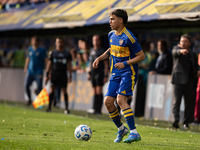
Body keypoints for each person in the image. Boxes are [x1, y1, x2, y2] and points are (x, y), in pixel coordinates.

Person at [92, 9, 145, 143]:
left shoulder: (129, 37)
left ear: (121, 20)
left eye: (112, 19)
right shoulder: (111, 35)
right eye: (110, 19)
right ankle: (121, 129)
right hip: (115, 74)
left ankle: (134, 133)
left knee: (121, 100)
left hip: (128, 72)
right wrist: (99, 58)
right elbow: (111, 50)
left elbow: (141, 56)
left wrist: (125, 63)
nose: (110, 22)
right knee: (108, 102)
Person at [171, 34, 200, 129]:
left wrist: (197, 71)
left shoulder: (192, 53)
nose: (183, 43)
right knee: (177, 102)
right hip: (178, 81)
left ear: (189, 43)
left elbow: (195, 66)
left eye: (185, 41)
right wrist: (181, 51)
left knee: (189, 103)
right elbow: (175, 52)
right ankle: (176, 121)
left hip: (189, 82)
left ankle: (186, 122)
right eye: (182, 41)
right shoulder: (176, 49)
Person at [45, 37, 72, 114]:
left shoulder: (67, 53)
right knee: (52, 90)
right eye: (58, 42)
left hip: (63, 74)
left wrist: (70, 75)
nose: (59, 43)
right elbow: (49, 64)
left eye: (61, 42)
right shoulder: (53, 53)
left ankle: (66, 108)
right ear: (55, 43)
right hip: (54, 73)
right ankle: (49, 107)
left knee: (64, 91)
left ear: (63, 43)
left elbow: (69, 65)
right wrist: (47, 74)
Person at [88, 35, 109, 114]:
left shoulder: (102, 51)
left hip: (100, 73)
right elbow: (90, 62)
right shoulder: (91, 50)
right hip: (93, 73)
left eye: (97, 40)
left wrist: (105, 75)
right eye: (94, 40)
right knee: (94, 91)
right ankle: (94, 109)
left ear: (99, 41)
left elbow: (106, 64)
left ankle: (99, 110)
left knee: (99, 90)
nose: (95, 42)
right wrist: (89, 73)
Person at [24, 36, 47, 106]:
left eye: (35, 41)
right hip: (30, 71)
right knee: (26, 85)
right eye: (32, 41)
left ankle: (39, 102)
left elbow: (46, 59)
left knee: (39, 87)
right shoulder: (30, 49)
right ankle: (29, 99)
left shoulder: (42, 50)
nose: (34, 42)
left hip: (38, 71)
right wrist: (25, 67)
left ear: (38, 42)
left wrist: (47, 68)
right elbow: (28, 58)